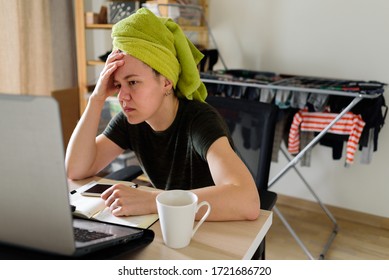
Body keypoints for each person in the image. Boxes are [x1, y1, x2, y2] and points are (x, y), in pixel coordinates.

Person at [65, 8, 260, 221]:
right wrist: (96, 99)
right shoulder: (132, 119)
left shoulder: (200, 121)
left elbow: (247, 201)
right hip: (168, 223)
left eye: (133, 82)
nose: (123, 96)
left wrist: (151, 200)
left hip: (209, 226)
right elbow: (76, 170)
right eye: (118, 84)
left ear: (166, 81)